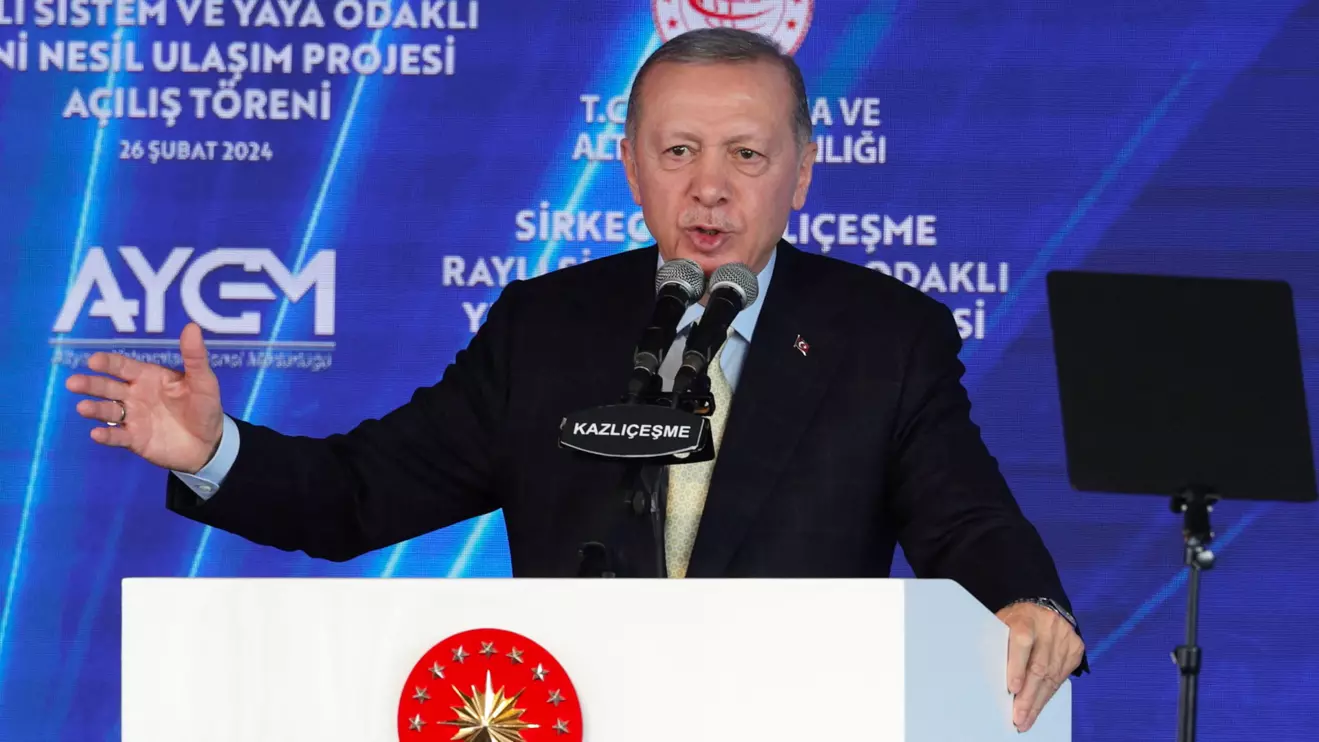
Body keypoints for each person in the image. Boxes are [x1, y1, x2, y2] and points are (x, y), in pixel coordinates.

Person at [65, 28, 1085, 732]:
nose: (710, 188)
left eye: (745, 154)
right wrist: (210, 450)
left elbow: (966, 519)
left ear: (801, 173)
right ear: (629, 166)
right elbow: (358, 493)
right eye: (676, 152)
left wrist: (1025, 599)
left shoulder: (881, 336)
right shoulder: (546, 329)